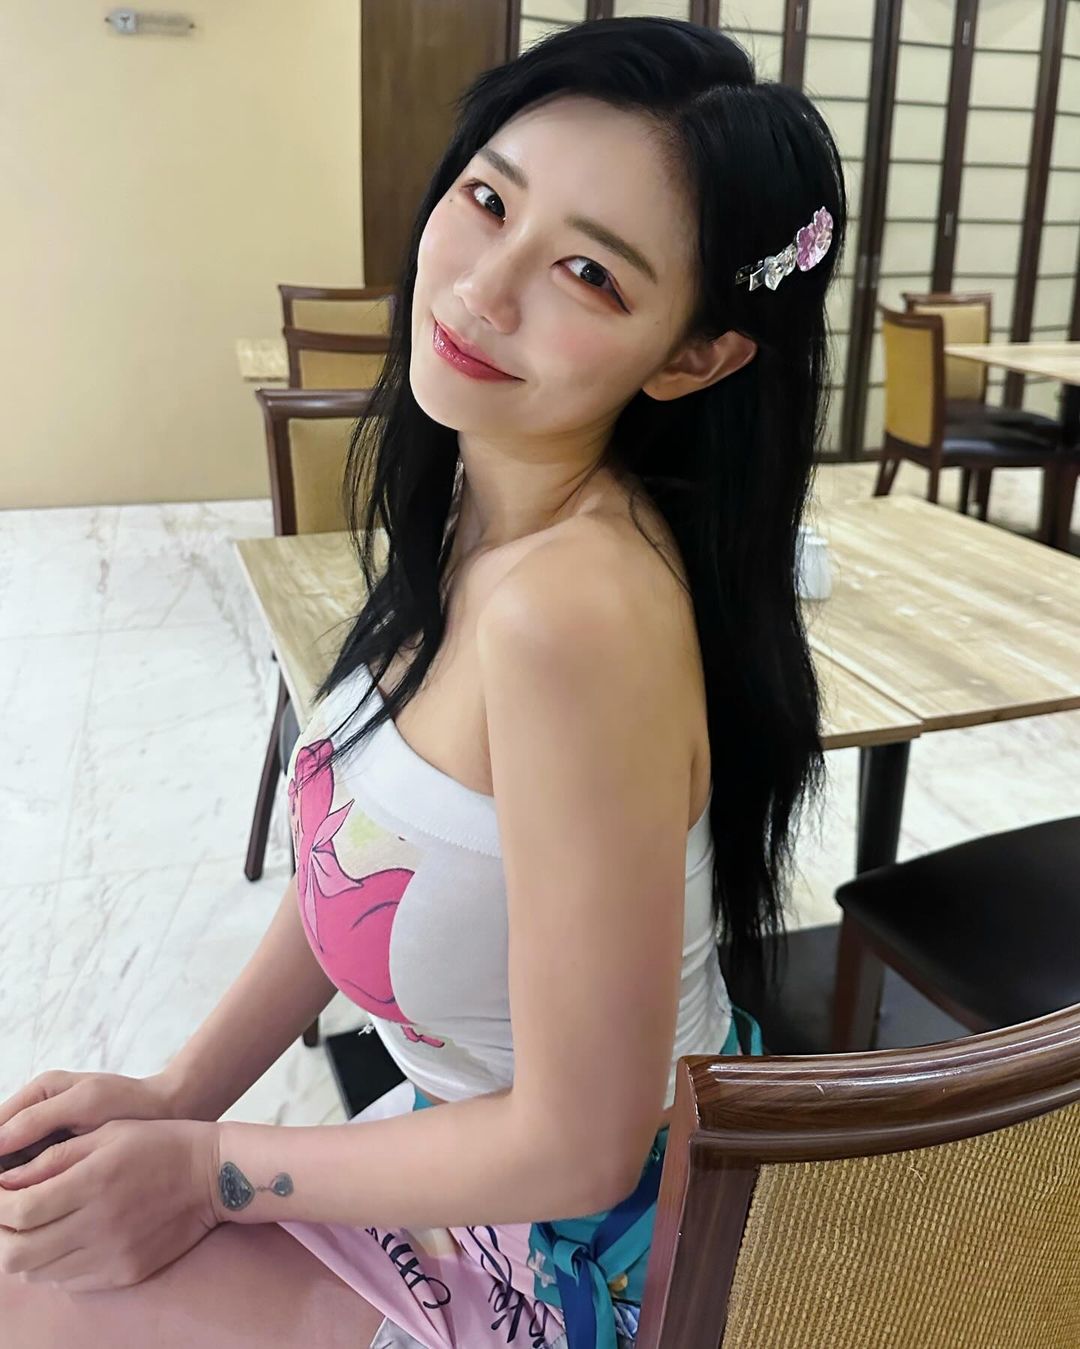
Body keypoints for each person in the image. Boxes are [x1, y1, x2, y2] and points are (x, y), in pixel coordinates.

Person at [0, 16, 845, 1349]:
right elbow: (360, 858)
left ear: (696, 356)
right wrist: (178, 1096)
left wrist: (211, 1165)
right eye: (489, 200)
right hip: (463, 1151)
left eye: (587, 272)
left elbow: (580, 1144)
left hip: (589, 1252)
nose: (483, 290)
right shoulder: (482, 498)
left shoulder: (573, 615)